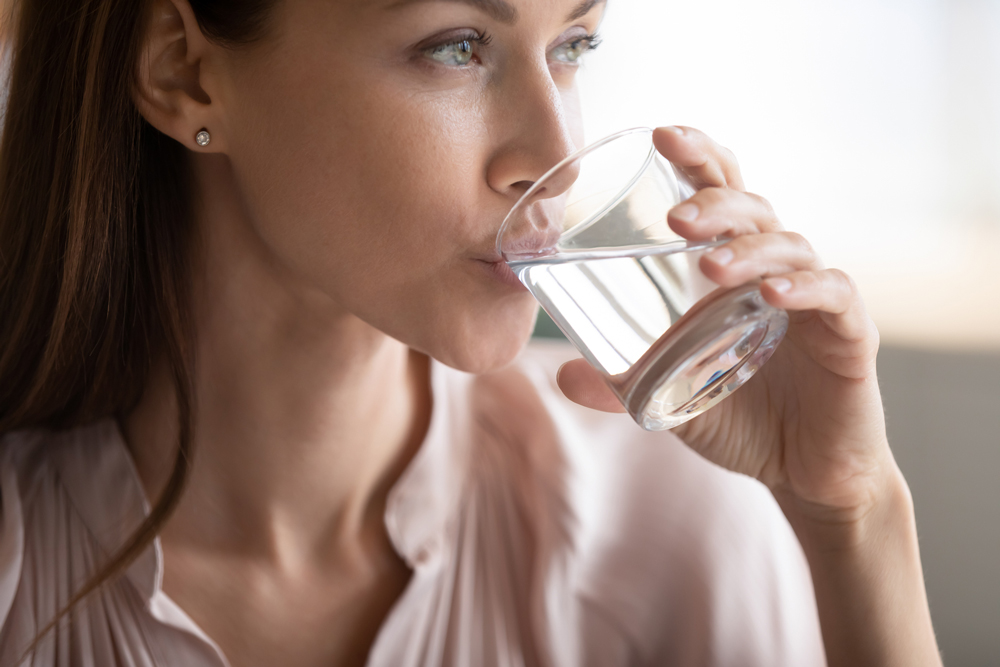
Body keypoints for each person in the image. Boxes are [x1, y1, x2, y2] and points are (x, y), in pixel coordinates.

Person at [0, 0, 941, 665]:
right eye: (457, 47)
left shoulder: (661, 519)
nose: (555, 160)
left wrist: (853, 513)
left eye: (574, 44)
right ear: (185, 71)